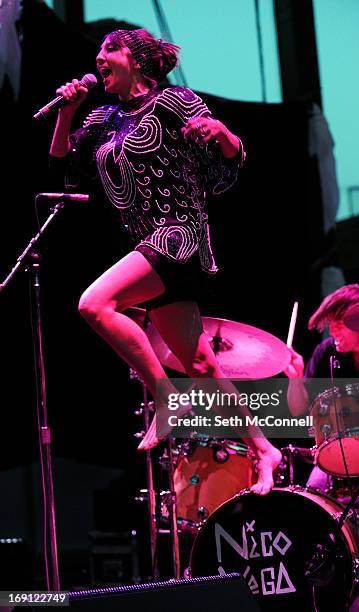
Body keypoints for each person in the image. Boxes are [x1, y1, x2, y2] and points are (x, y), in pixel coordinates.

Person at [49, 28, 282, 494]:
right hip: (149, 241)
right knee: (201, 366)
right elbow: (63, 165)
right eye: (98, 52)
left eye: (109, 50)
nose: (99, 58)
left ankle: (166, 398)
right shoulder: (102, 118)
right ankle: (264, 448)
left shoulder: (175, 102)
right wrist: (68, 112)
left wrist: (223, 133)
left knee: (94, 304)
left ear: (136, 60)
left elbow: (228, 165)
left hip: (178, 236)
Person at [284, 283, 359, 489]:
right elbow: (297, 409)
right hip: (342, 454)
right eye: (331, 322)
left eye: (340, 321)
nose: (332, 329)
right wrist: (294, 379)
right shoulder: (326, 352)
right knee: (314, 490)